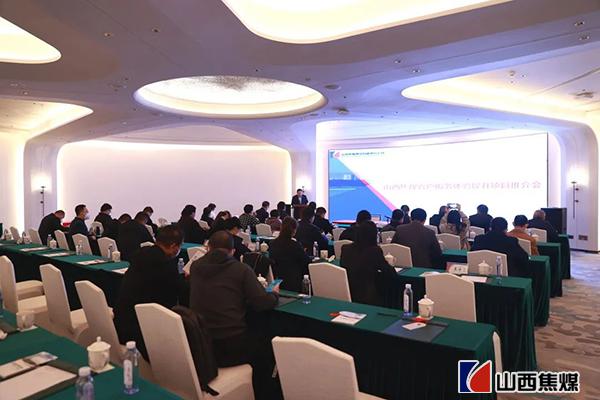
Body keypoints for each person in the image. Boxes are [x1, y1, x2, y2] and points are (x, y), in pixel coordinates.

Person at [189, 231, 279, 398]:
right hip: (231, 346)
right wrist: (274, 294)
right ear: (232, 251)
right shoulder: (241, 269)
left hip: (201, 344)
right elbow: (262, 302)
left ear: (208, 248)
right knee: (266, 348)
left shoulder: (195, 266)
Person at [114, 225, 184, 361]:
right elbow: (173, 297)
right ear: (173, 246)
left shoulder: (140, 255)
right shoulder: (165, 265)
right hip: (142, 333)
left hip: (121, 322)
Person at [339, 221, 397, 306]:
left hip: (347, 292)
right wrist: (391, 264)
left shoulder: (345, 248)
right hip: (367, 296)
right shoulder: (375, 251)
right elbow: (390, 272)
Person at [269, 217, 311, 292]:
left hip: (277, 280)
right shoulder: (295, 245)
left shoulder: (272, 243)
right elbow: (307, 262)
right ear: (294, 231)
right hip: (293, 282)